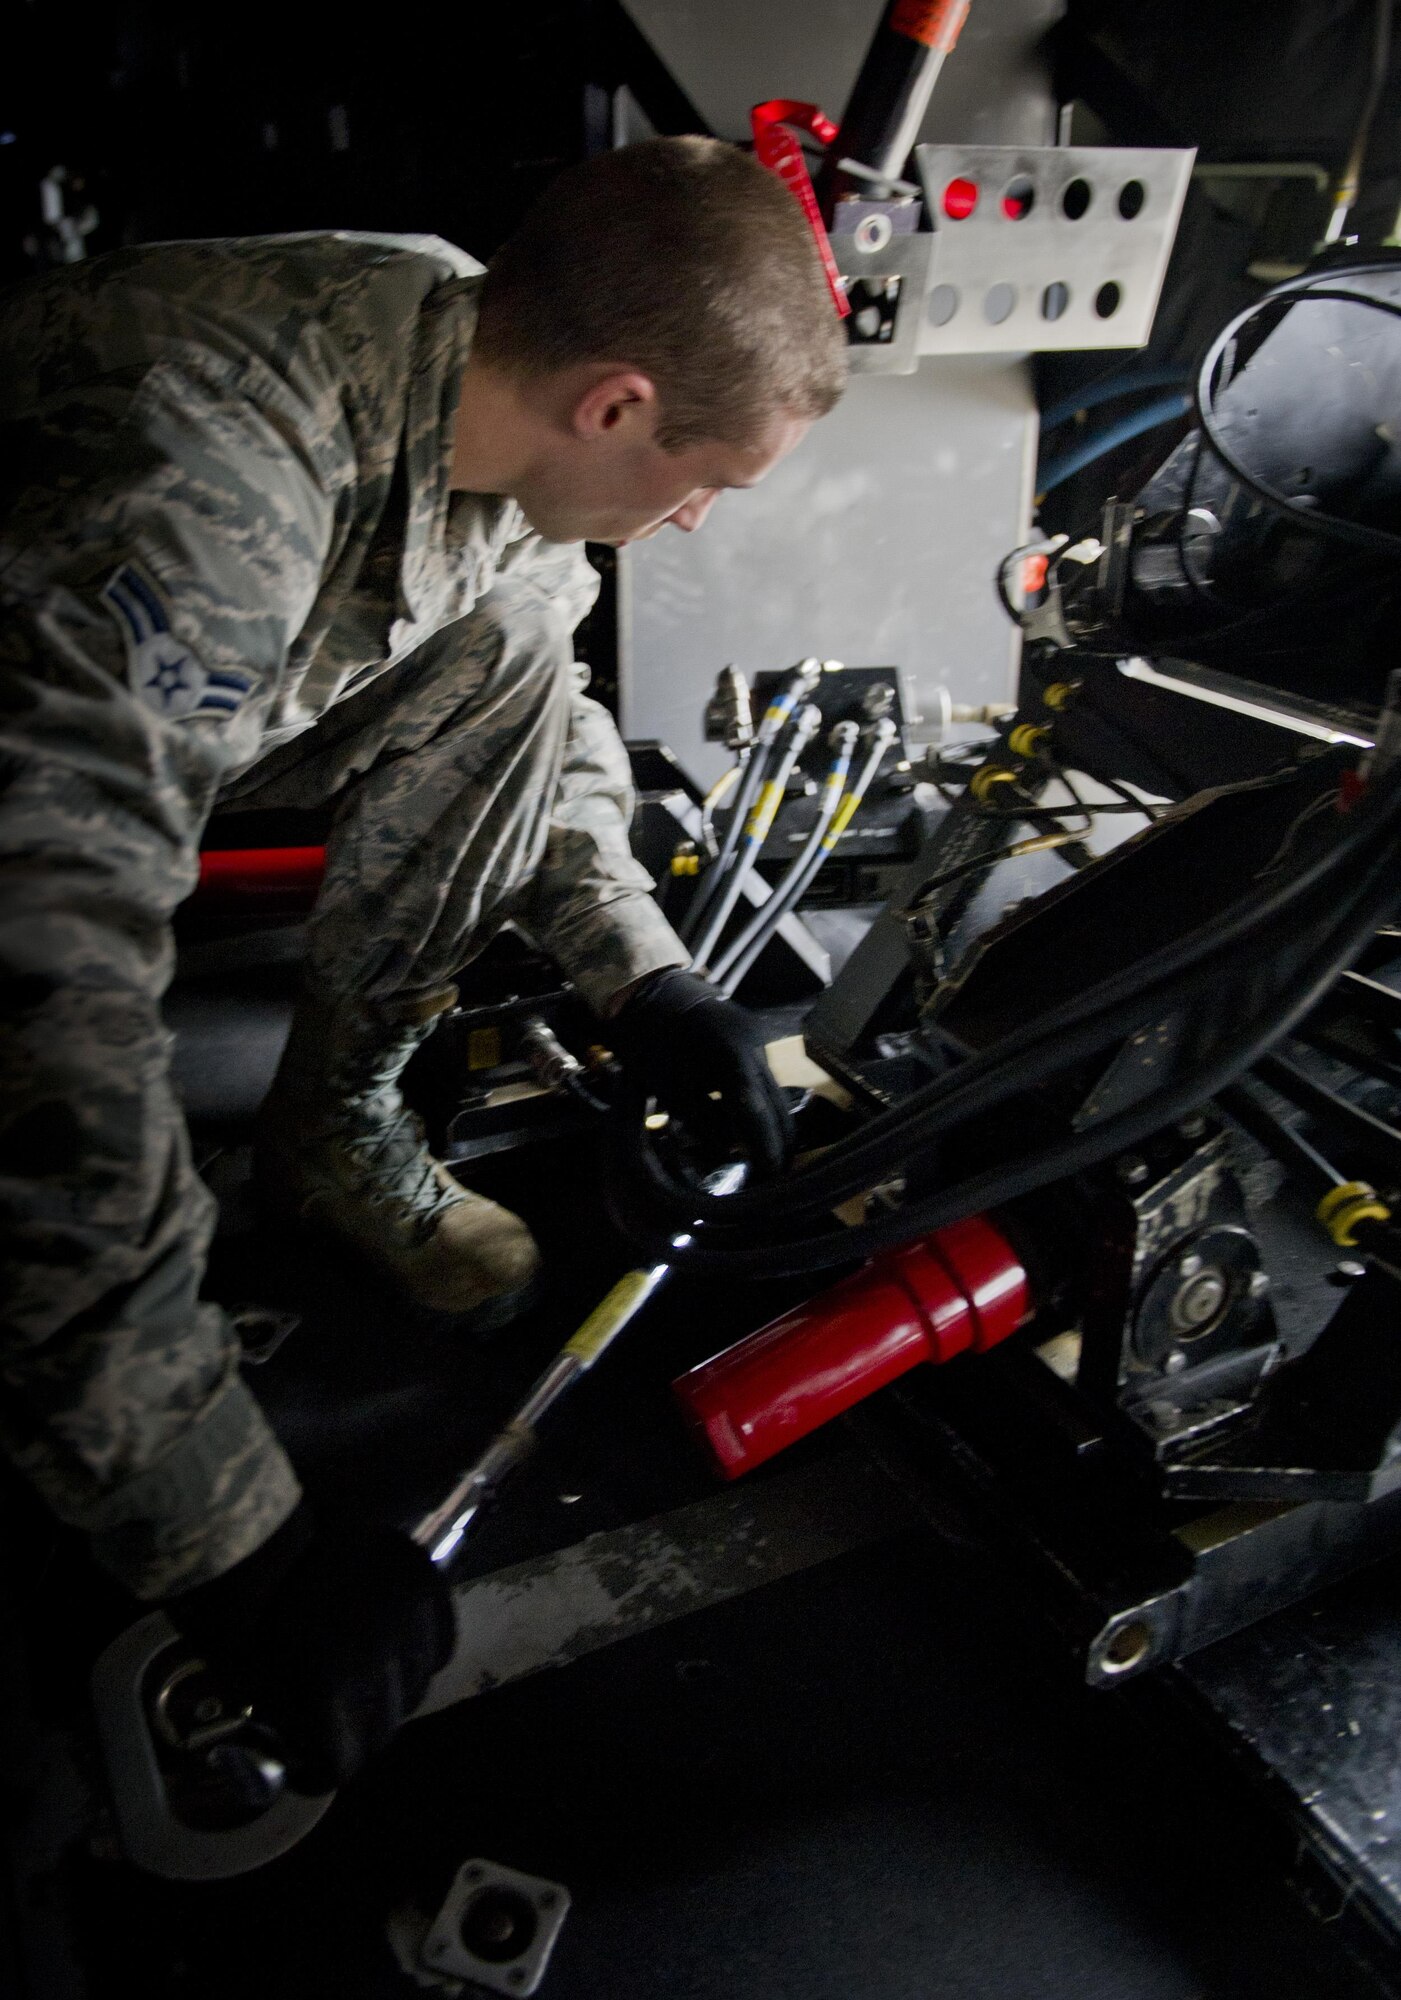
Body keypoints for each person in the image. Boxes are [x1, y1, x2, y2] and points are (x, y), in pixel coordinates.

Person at [0, 135, 847, 1786]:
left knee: (524, 660)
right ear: (614, 402)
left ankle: (333, 1132)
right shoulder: (214, 484)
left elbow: (542, 712)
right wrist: (231, 1541)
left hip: (127, 710)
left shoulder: (474, 346)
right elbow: (42, 990)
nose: (681, 525)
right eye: (701, 482)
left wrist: (648, 983)